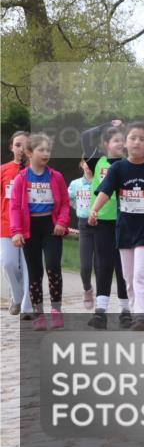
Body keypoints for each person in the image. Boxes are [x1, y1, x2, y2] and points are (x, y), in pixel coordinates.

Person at [90, 122, 144, 332]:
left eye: (142, 139)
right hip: (125, 230)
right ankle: (137, 314)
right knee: (128, 278)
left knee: (140, 274)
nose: (137, 142)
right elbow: (105, 191)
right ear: (126, 143)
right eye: (133, 138)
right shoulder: (118, 168)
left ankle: (142, 315)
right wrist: (95, 210)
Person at [9, 133, 70, 330]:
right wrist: (16, 231)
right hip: (30, 230)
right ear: (29, 152)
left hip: (51, 228)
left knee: (53, 267)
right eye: (41, 150)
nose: (46, 153)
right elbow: (15, 207)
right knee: (35, 273)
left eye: (48, 150)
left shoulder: (56, 177)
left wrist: (61, 222)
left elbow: (65, 204)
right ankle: (38, 314)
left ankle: (56, 309)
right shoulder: (21, 179)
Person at [83, 124, 132, 329]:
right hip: (102, 222)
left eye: (123, 140)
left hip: (124, 221)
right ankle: (100, 312)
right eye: (116, 140)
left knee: (123, 268)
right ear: (106, 144)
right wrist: (107, 125)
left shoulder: (129, 164)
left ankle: (126, 310)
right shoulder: (97, 162)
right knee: (104, 265)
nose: (120, 143)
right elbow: (85, 136)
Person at [2, 131, 32, 317]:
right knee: (8, 263)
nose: (21, 149)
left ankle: (26, 307)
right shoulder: (3, 170)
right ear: (11, 147)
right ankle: (17, 296)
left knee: (30, 266)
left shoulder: (36, 170)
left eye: (25, 145)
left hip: (31, 226)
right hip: (6, 225)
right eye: (17, 145)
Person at [67, 158, 96, 309]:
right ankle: (87, 289)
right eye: (86, 161)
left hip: (101, 225)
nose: (89, 165)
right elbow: (67, 199)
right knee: (85, 265)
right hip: (84, 225)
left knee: (100, 264)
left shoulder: (102, 181)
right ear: (82, 164)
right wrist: (78, 207)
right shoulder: (75, 184)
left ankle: (103, 296)